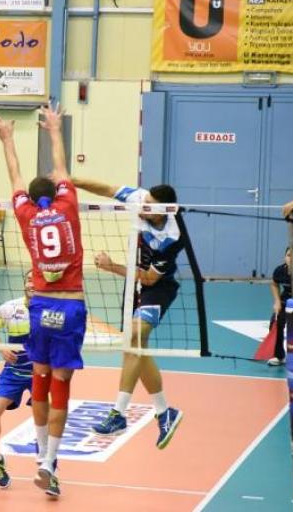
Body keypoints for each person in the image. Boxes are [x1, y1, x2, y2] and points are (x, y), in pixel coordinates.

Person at [0, 105, 84, 499]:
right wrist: (55, 130)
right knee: (61, 381)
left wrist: (7, 139)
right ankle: (49, 462)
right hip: (70, 306)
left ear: (30, 198)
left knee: (40, 377)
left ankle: (41, 454)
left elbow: (14, 176)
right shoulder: (68, 206)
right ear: (57, 193)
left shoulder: (26, 214)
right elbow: (62, 169)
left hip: (40, 307)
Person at [68, 178, 185, 449]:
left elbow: (150, 279)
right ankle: (164, 411)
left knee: (134, 339)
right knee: (134, 348)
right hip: (133, 285)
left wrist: (110, 266)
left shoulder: (172, 237)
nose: (143, 207)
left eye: (150, 206)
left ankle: (118, 414)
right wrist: (71, 180)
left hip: (157, 288)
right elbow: (107, 188)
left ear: (164, 211)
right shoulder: (140, 198)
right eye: (145, 202)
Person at [0, 272, 34, 489]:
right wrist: (1, 348)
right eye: (29, 279)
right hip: (13, 371)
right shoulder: (11, 308)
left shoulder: (50, 311)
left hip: (41, 373)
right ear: (24, 284)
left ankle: (49, 465)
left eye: (37, 279)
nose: (32, 283)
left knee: (48, 415)